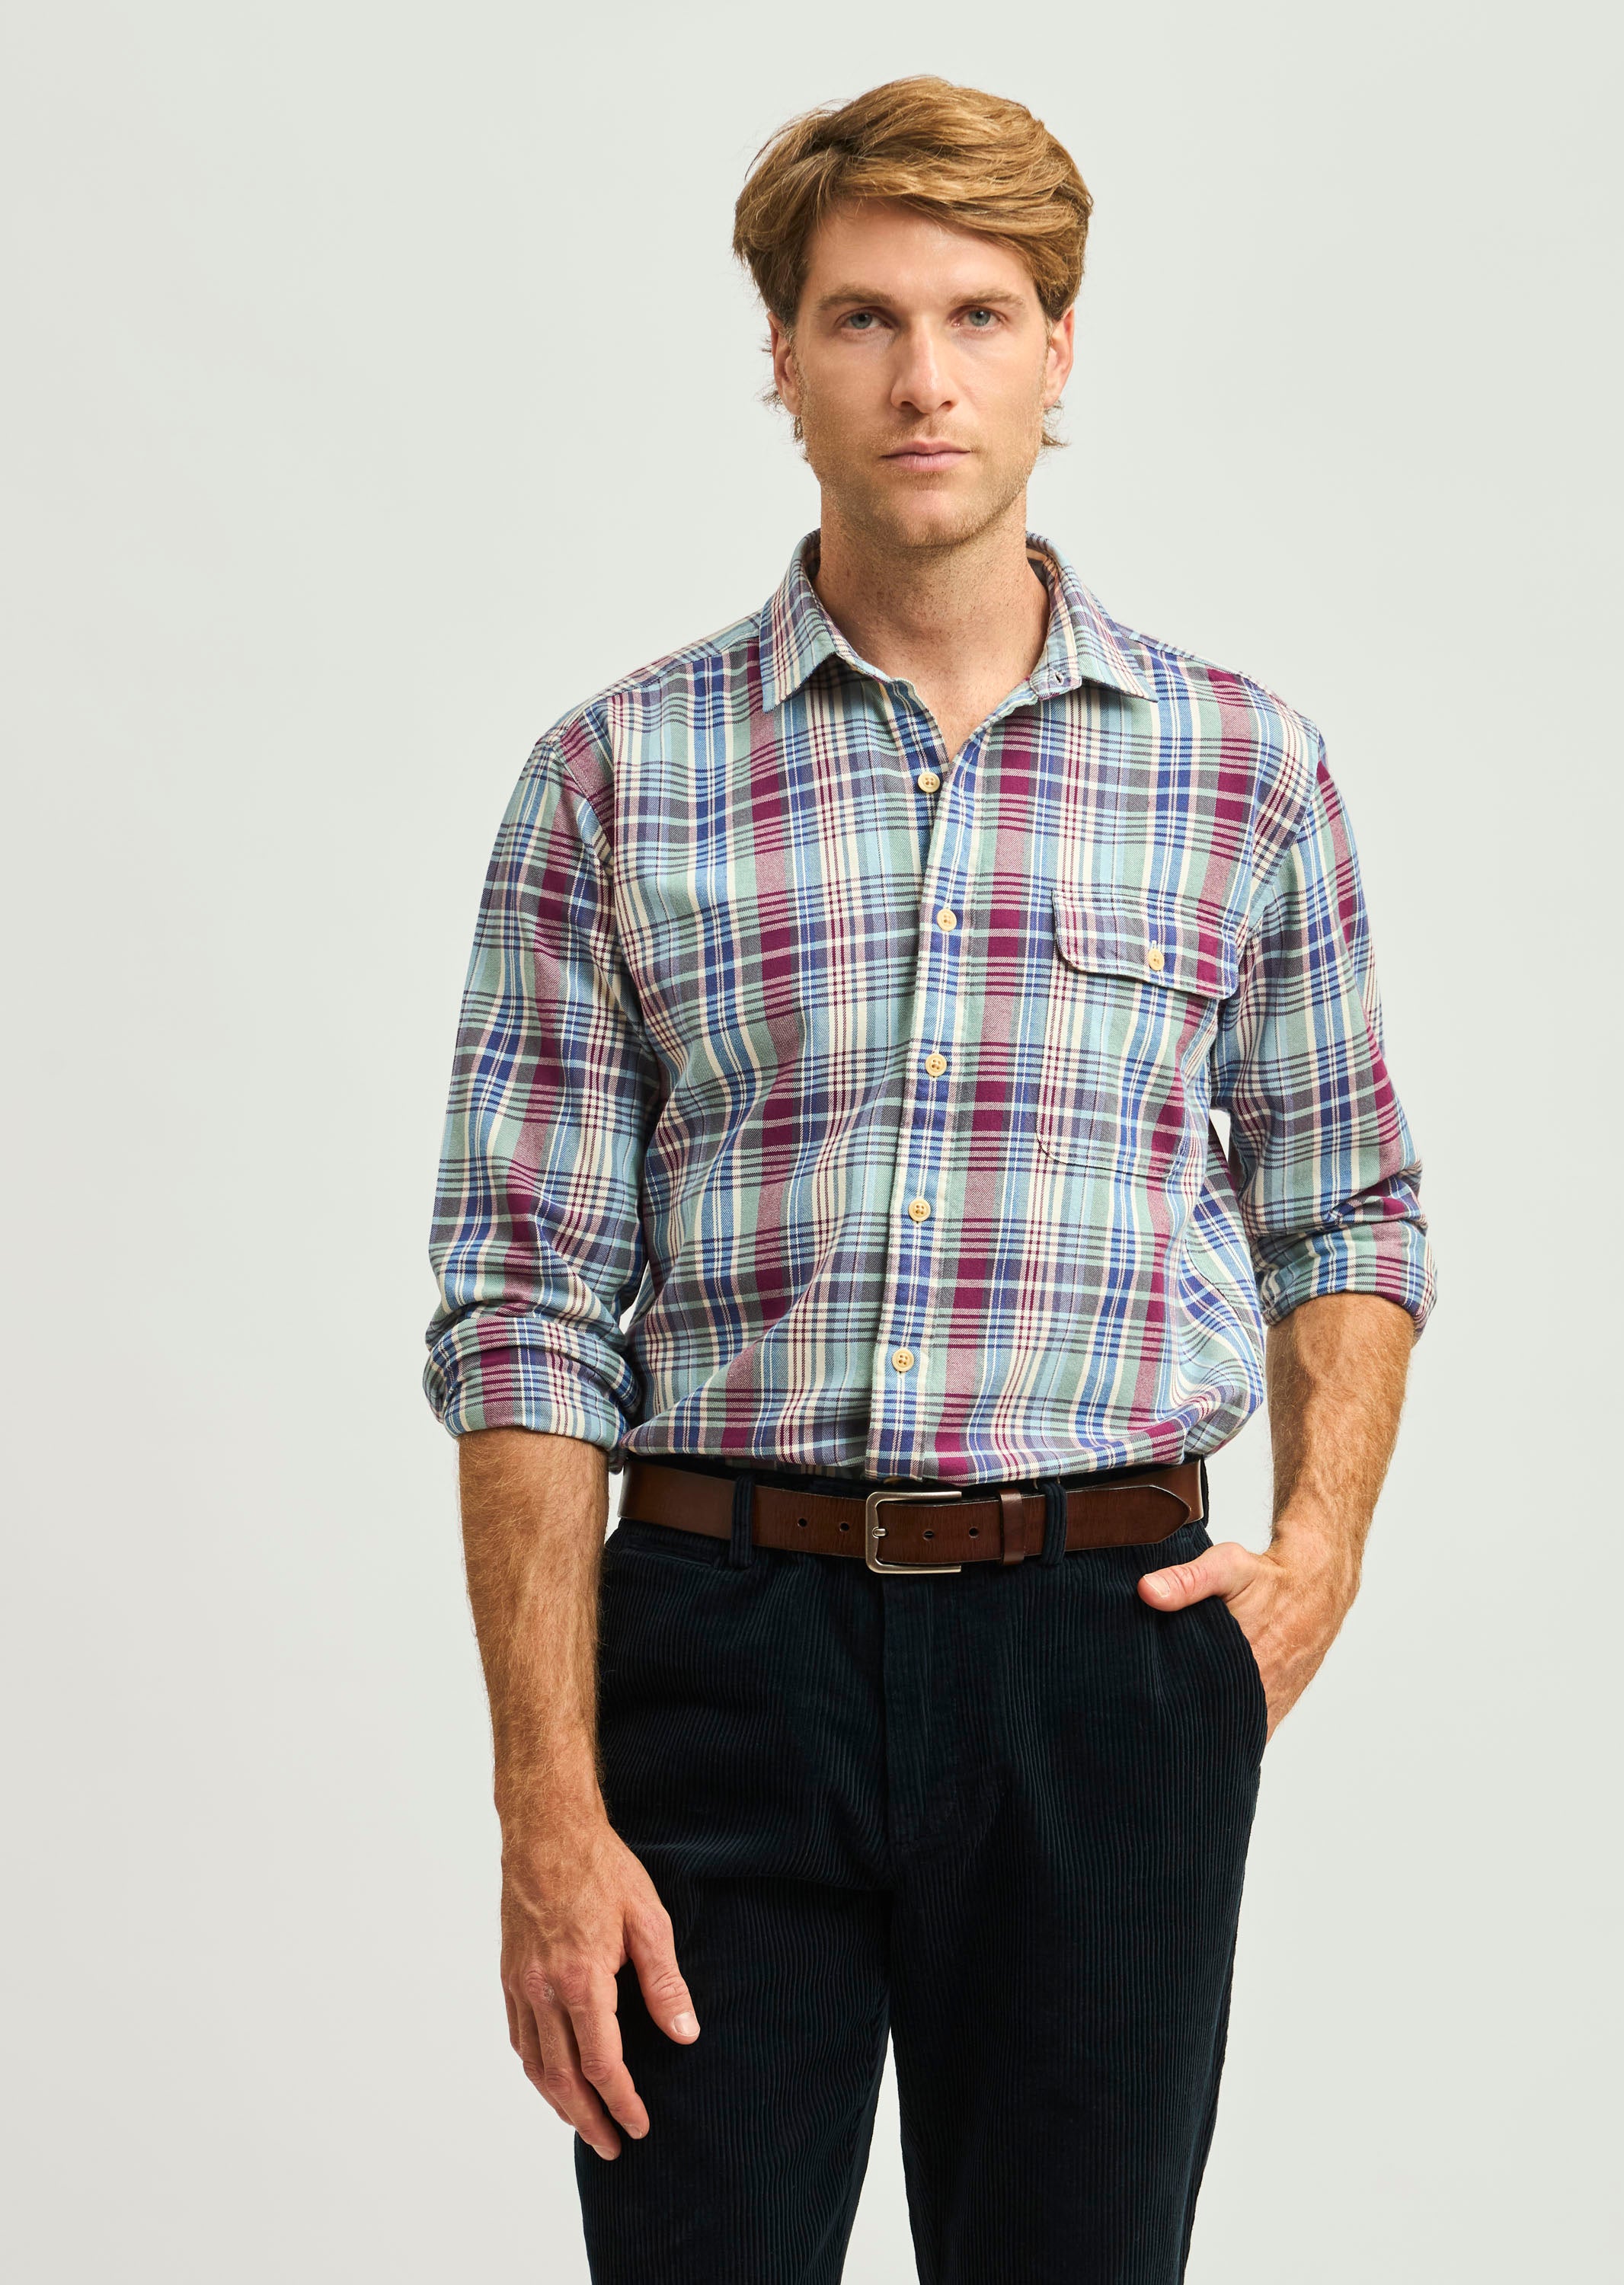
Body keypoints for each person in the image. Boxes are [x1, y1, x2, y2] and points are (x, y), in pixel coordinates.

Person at [423, 74, 1437, 2285]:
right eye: (864, 318)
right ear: (782, 360)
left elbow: (1348, 1205)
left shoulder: (1243, 774)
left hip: (1102, 1656)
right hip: (722, 1641)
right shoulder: (615, 778)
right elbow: (523, 1314)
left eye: (978, 317)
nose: (922, 380)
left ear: (1060, 351)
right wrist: (545, 1805)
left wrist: (1323, 1552)